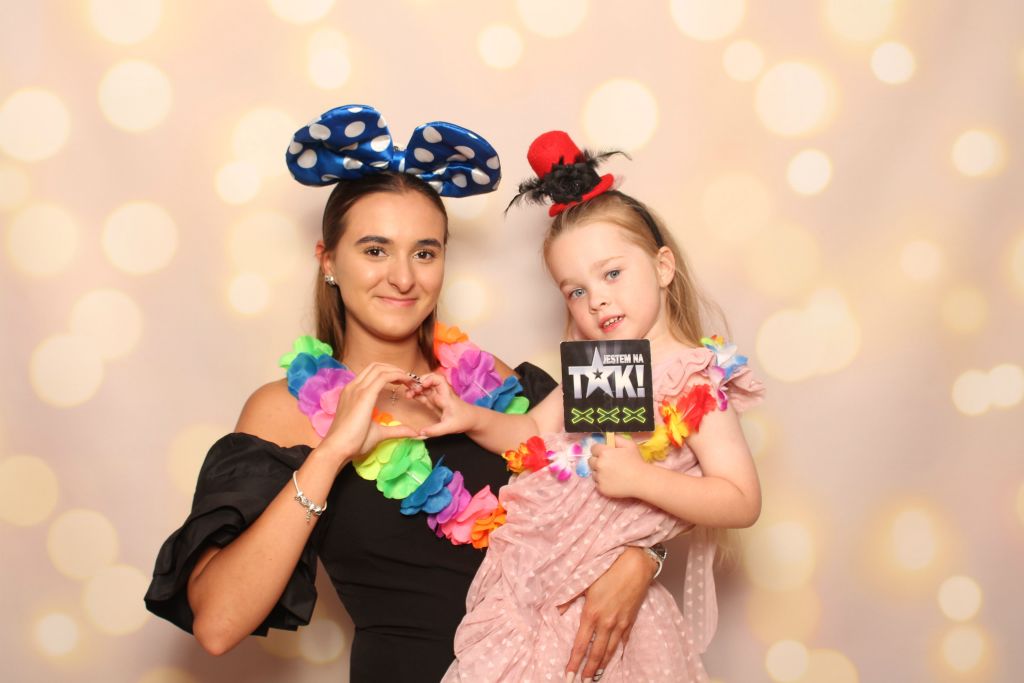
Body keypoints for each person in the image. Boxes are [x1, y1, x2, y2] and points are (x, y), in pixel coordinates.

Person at [144, 106, 662, 683]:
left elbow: (650, 465)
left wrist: (644, 557)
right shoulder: (283, 410)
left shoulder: (496, 382)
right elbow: (218, 626)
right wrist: (332, 452)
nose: (403, 277)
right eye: (374, 250)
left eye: (424, 252)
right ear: (328, 261)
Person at [411, 131, 765, 682]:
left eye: (612, 273)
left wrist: (639, 478)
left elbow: (741, 499)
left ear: (663, 266)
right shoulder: (599, 368)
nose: (596, 298)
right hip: (538, 587)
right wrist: (468, 416)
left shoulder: (693, 380)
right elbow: (532, 432)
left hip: (611, 619)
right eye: (575, 290)